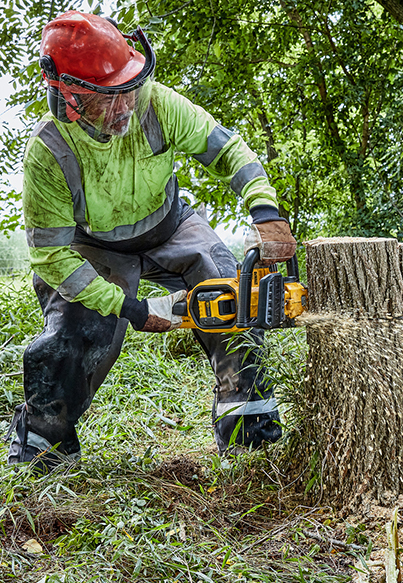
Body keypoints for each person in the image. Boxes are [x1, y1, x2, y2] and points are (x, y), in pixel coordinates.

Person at [4, 10, 297, 472]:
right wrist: (131, 309)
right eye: (111, 97)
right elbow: (52, 255)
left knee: (230, 292)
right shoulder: (49, 151)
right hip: (93, 246)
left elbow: (226, 148)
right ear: (73, 95)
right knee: (74, 333)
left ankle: (249, 432)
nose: (126, 105)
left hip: (169, 224)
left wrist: (265, 209)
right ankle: (43, 444)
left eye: (130, 90)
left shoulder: (156, 103)